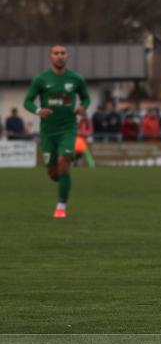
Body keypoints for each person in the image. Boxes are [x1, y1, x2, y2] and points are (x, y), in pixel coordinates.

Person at [22, 45, 90, 218]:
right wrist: (38, 111)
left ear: (67, 56)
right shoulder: (41, 79)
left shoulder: (76, 79)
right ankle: (63, 181)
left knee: (64, 161)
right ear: (50, 57)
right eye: (56, 53)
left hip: (68, 129)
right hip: (47, 132)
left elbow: (86, 97)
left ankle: (61, 207)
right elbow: (27, 101)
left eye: (63, 53)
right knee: (53, 173)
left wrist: (83, 107)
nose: (60, 56)